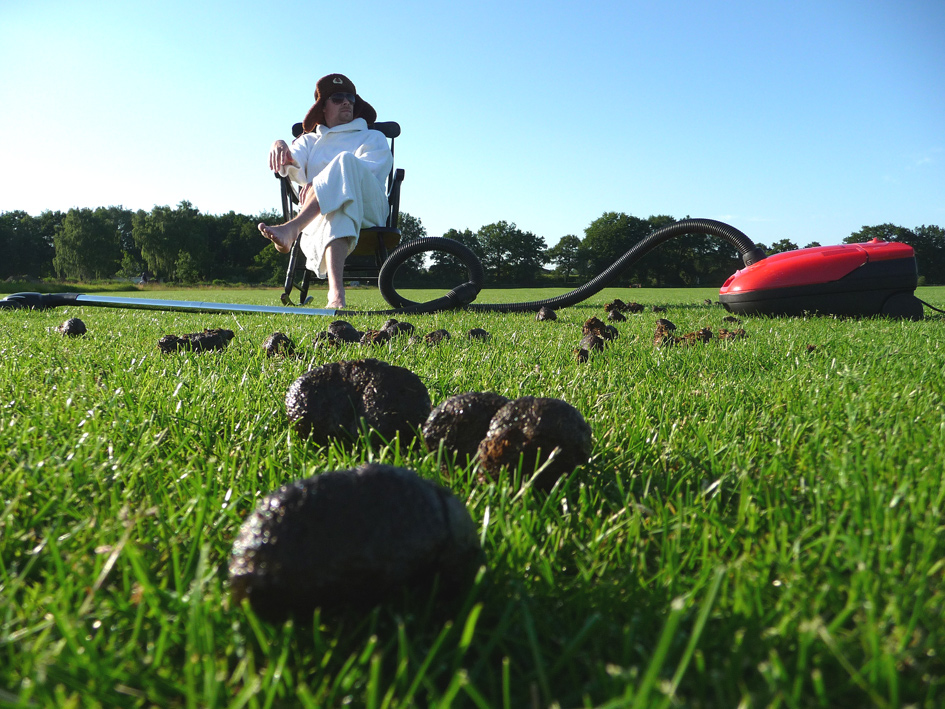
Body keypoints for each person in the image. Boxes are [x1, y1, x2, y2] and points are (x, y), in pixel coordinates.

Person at [258, 74, 393, 308]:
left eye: (350, 97)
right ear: (323, 107)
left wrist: (320, 181)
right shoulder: (309, 141)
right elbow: (290, 163)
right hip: (322, 218)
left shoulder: (373, 137)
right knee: (339, 210)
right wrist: (278, 143)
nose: (346, 102)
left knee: (345, 163)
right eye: (338, 98)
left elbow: (370, 175)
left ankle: (292, 228)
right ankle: (336, 297)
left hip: (369, 211)